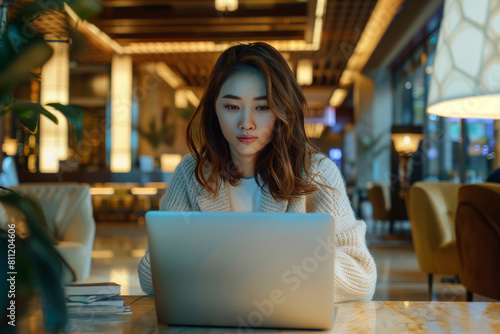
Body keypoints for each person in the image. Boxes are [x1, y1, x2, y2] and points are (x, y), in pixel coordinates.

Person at [138, 42, 376, 303]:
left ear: (282, 110)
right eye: (232, 107)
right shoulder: (191, 173)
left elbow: (361, 276)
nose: (246, 124)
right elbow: (150, 275)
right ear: (214, 109)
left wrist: (263, 265)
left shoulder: (316, 173)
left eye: (262, 108)